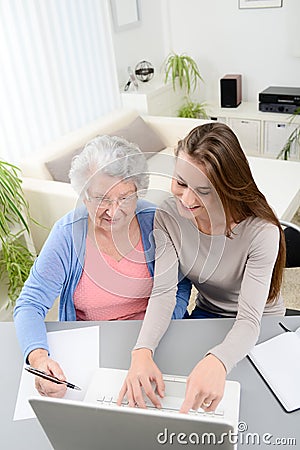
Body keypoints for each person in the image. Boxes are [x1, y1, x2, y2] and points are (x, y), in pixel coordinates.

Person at [118, 122, 286, 413]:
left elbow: (249, 321)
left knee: (257, 407)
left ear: (227, 187)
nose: (186, 200)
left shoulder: (261, 232)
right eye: (181, 183)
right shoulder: (169, 216)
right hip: (208, 314)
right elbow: (164, 292)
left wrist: (219, 359)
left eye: (203, 191)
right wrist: (141, 350)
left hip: (261, 322)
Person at [14, 135, 190, 398]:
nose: (114, 210)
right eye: (101, 198)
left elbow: (180, 285)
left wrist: (158, 332)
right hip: (92, 348)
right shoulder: (67, 234)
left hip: (157, 339)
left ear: (138, 192)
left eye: (125, 197)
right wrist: (39, 359)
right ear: (84, 196)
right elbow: (30, 303)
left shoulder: (156, 222)